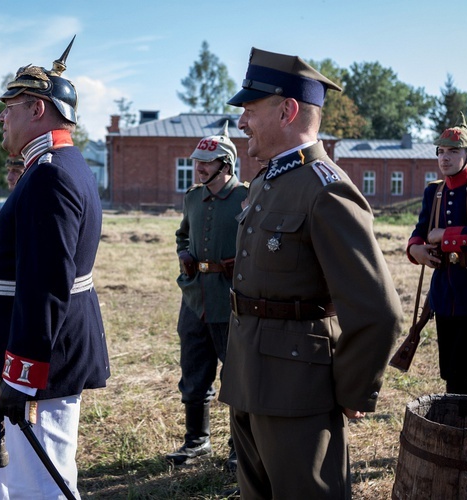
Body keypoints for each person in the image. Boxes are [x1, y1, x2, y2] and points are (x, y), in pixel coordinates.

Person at [217, 47, 402, 499]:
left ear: (287, 110)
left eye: (250, 110)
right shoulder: (265, 181)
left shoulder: (327, 189)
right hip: (247, 379)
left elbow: (379, 311)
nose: (242, 122)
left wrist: (351, 392)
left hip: (298, 392)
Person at [0, 37, 110, 498]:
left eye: (9, 106)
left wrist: (20, 376)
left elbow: (46, 284)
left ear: (37, 108)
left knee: (41, 482)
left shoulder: (50, 172)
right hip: (35, 361)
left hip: (42, 368)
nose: (1, 117)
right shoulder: (55, 165)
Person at [406, 113, 467, 394]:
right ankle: (453, 430)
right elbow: (420, 229)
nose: (444, 158)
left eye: (453, 151)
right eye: (441, 151)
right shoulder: (434, 191)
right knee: (449, 370)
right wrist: (416, 250)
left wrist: (443, 237)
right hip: (444, 294)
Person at [168, 121, 247, 468]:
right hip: (194, 300)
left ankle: (239, 448)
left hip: (231, 301)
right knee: (194, 371)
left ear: (225, 165)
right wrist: (184, 252)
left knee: (237, 377)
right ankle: (196, 442)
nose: (198, 168)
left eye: (206, 163)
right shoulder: (192, 198)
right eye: (197, 161)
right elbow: (182, 235)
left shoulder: (247, 198)